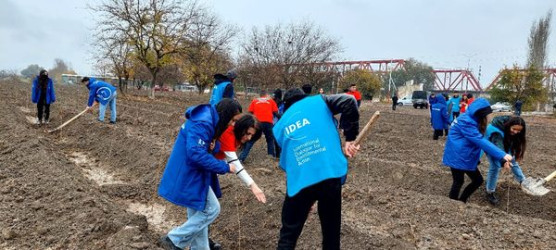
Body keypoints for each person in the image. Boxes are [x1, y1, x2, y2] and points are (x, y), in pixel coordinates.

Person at [158, 99, 265, 250]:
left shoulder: (211, 122)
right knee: (212, 209)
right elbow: (195, 152)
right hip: (191, 171)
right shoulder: (204, 123)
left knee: (199, 211)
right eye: (233, 120)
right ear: (226, 114)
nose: (233, 124)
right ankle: (174, 239)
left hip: (197, 170)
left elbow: (207, 149)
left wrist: (213, 147)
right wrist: (227, 168)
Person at [273, 88, 360, 249]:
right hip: (329, 175)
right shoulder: (319, 101)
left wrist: (305, 196)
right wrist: (350, 138)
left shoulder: (279, 126)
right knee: (331, 233)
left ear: (286, 106)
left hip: (301, 182)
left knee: (288, 235)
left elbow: (288, 163)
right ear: (304, 97)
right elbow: (349, 101)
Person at [442, 98, 513, 203]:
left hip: (460, 154)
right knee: (468, 181)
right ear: (481, 113)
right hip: (460, 156)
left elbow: (477, 141)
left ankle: (459, 202)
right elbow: (479, 140)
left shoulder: (469, 118)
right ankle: (456, 203)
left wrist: (501, 160)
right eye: (487, 114)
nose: (488, 117)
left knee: (463, 181)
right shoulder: (467, 122)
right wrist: (502, 155)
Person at [484, 116, 527, 205]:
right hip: (491, 145)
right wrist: (504, 162)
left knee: (512, 160)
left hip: (504, 143)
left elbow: (509, 149)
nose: (516, 132)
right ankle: (490, 191)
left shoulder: (510, 129)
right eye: (514, 129)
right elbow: (498, 148)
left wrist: (509, 159)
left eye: (518, 131)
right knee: (495, 166)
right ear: (509, 125)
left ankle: (523, 181)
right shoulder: (496, 132)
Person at [239, 89, 280, 162]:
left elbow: (250, 112)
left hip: (257, 123)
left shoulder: (255, 101)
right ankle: (270, 158)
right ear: (266, 95)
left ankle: (241, 158)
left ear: (260, 95)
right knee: (270, 140)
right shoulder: (271, 101)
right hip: (268, 123)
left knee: (251, 140)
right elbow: (276, 113)